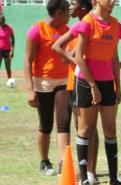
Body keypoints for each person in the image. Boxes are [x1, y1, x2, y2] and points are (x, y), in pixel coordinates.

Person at [70, 0, 121, 185]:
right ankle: (84, 180)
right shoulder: (87, 22)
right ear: (96, 1)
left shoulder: (116, 25)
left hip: (107, 83)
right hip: (86, 82)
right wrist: (93, 86)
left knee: (110, 128)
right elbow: (78, 56)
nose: (112, 1)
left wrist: (117, 86)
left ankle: (114, 181)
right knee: (85, 129)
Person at [51, 0, 99, 182]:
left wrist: (74, 58)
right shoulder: (78, 26)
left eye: (73, 4)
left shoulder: (86, 24)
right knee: (82, 127)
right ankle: (86, 169)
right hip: (75, 81)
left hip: (87, 81)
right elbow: (62, 51)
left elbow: (76, 55)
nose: (70, 7)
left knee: (88, 127)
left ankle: (90, 171)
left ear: (84, 7)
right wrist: (74, 58)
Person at [23, 0, 71, 176]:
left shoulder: (67, 30)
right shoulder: (37, 30)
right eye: (67, 11)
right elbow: (27, 61)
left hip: (64, 80)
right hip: (42, 81)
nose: (70, 14)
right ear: (59, 12)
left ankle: (63, 163)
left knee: (63, 122)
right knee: (46, 124)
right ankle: (44, 161)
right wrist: (30, 90)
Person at [0, 16, 14, 80]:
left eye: (1, 20)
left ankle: (9, 80)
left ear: (4, 20)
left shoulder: (9, 28)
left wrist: (12, 50)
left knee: (7, 66)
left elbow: (12, 39)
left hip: (7, 50)